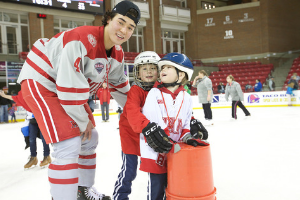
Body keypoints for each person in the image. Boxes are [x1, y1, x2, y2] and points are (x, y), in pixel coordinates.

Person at [16, 1, 140, 200]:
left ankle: (83, 190)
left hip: (66, 90)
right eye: (121, 22)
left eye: (130, 27)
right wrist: (83, 121)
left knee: (90, 138)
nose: (124, 30)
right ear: (108, 19)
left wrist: (146, 116)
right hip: (41, 80)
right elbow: (68, 88)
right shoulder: (81, 38)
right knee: (68, 143)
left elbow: (122, 89)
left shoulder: (116, 54)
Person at [140, 53, 209, 200]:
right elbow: (155, 122)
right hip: (156, 152)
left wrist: (189, 137)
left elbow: (185, 123)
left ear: (181, 75)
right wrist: (170, 143)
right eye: (162, 67)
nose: (163, 69)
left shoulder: (186, 97)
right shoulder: (154, 93)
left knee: (175, 189)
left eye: (168, 67)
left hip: (177, 154)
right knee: (157, 189)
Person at [113, 51, 161, 200]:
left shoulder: (161, 90)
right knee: (130, 171)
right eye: (144, 68)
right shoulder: (135, 90)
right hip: (132, 136)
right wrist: (147, 127)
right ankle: (120, 197)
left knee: (156, 170)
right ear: (138, 73)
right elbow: (132, 113)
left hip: (152, 136)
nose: (149, 72)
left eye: (152, 68)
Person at [0, 90, 51, 168]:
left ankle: (47, 156)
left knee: (44, 138)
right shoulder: (24, 93)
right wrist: (4, 96)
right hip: (32, 120)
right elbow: (16, 98)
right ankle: (33, 157)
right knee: (31, 139)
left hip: (42, 119)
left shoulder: (38, 91)